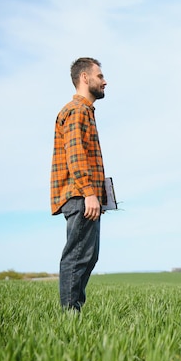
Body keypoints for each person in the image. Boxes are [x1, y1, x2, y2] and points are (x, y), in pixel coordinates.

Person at [51, 57, 108, 312]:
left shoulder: (84, 111)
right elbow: (76, 155)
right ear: (85, 78)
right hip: (79, 195)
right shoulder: (77, 110)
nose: (104, 81)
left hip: (84, 195)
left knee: (88, 255)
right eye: (100, 76)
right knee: (77, 256)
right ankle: (70, 316)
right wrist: (89, 193)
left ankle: (74, 312)